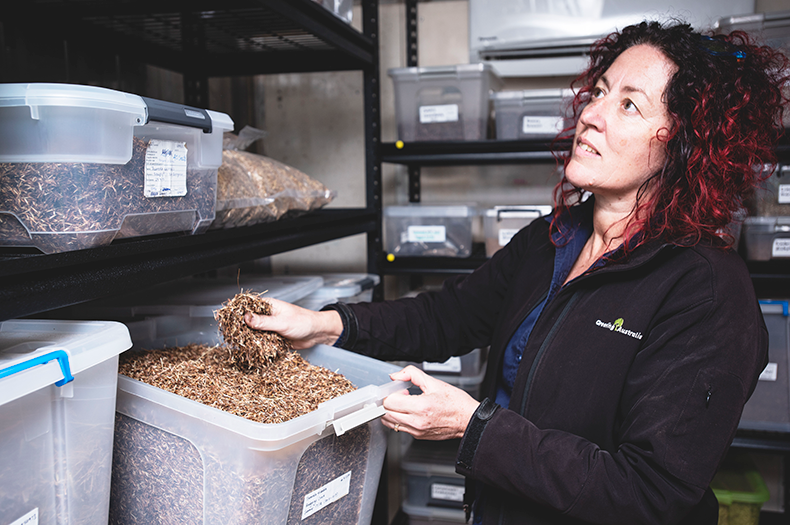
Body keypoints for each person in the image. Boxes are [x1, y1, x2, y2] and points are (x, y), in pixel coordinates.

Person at [245, 20, 789, 525]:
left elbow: (650, 490)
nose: (592, 115)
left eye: (629, 105)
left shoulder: (707, 291)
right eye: (599, 92)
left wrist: (473, 428)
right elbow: (447, 316)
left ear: (684, 144)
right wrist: (323, 325)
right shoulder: (552, 237)